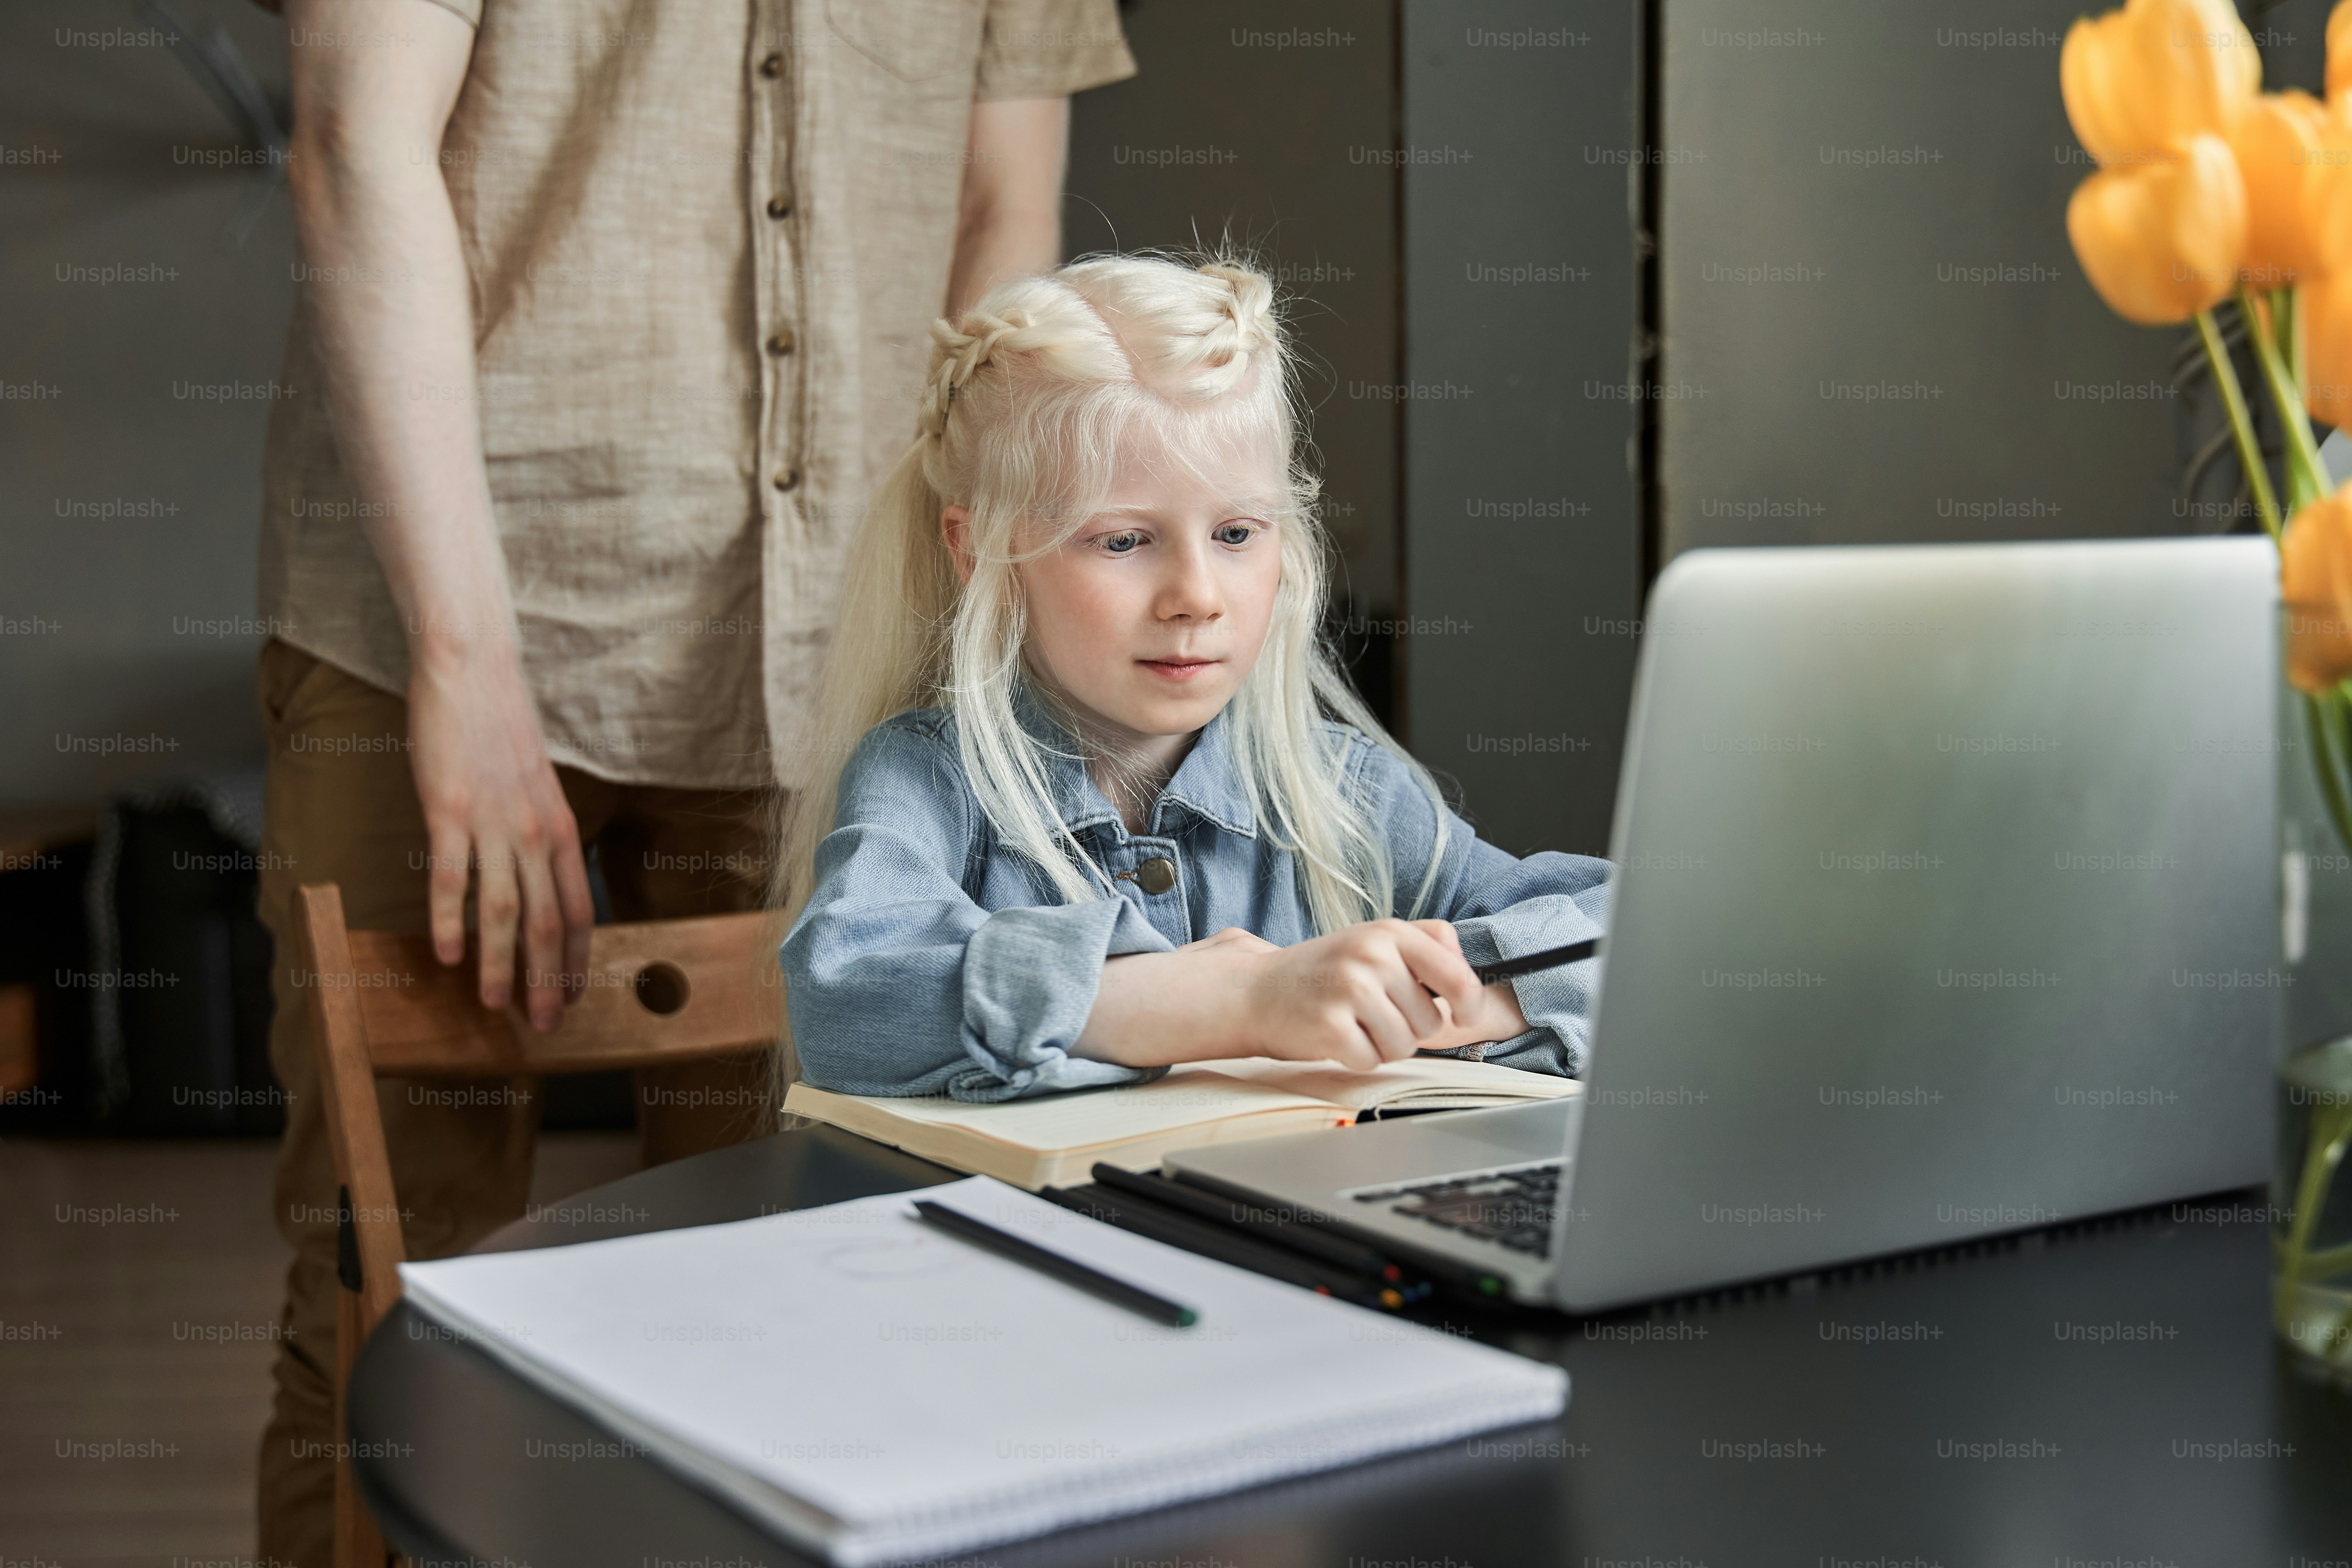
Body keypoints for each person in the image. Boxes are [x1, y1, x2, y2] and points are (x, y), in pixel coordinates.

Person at [249, 0, 1136, 1559]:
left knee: (811, 1303)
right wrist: (466, 660)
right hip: (431, 628)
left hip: (840, 652)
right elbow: (355, 142)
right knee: (391, 1300)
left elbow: (1001, 218)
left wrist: (971, 656)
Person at [775, 254, 1612, 1100]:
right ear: (979, 549)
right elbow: (847, 994)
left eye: (1237, 534)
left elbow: (1625, 929)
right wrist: (1241, 998)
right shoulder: (928, 779)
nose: (1197, 598)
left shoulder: (1344, 791)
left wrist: (1451, 999)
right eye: (1123, 540)